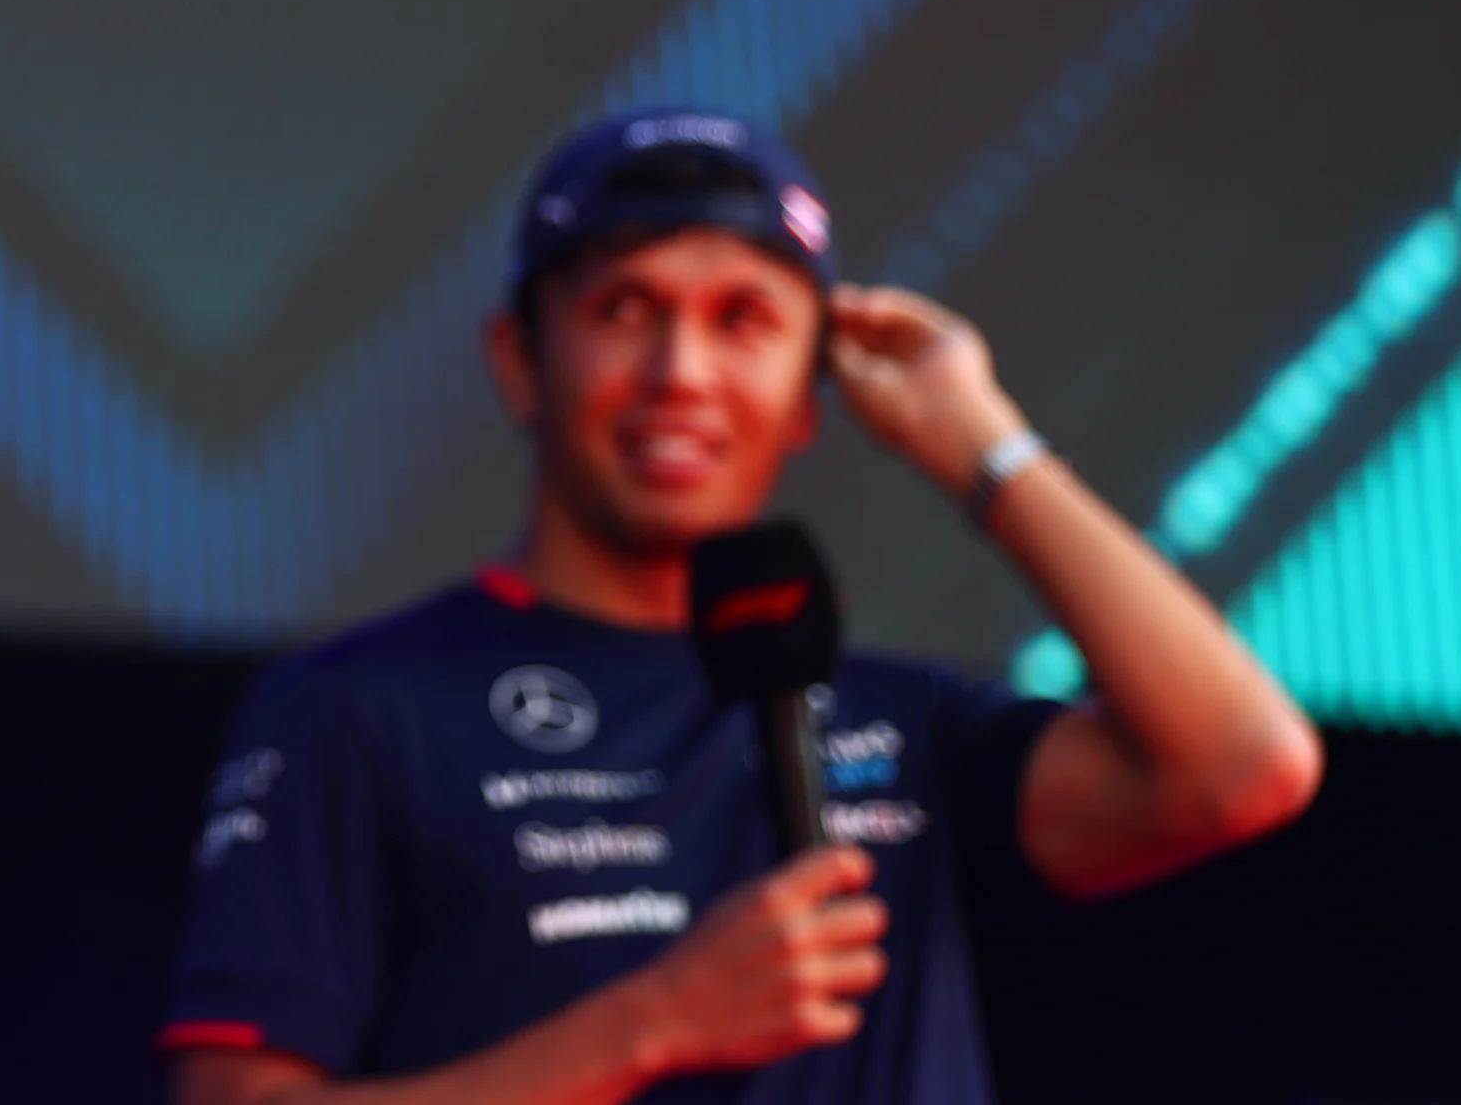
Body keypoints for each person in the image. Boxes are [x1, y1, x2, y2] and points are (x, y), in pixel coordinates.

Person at [160, 110, 1322, 1104]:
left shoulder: (902, 724)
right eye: (623, 309)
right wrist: (652, 1021)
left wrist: (978, 444)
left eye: (745, 321)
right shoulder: (355, 707)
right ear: (520, 359)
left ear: (809, 393)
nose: (681, 371)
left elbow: (1241, 764)